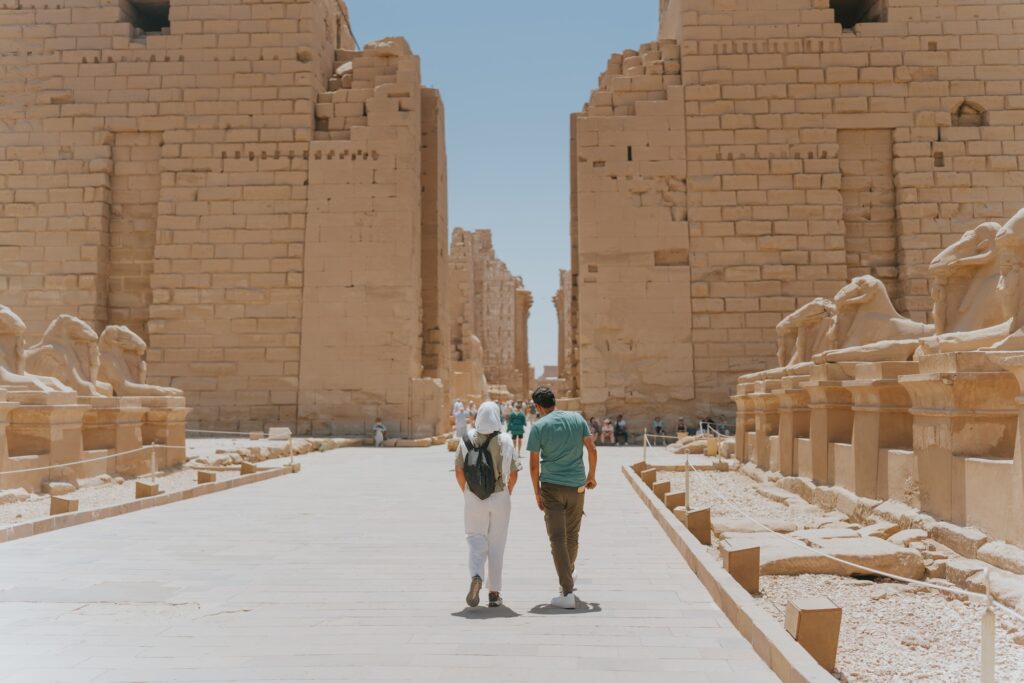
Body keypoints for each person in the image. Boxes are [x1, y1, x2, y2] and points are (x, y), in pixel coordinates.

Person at [526, 386, 598, 609]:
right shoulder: (577, 420)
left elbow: (533, 465)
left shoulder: (539, 427)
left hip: (551, 486)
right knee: (572, 534)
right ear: (554, 401)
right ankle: (568, 573)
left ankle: (567, 592)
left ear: (538, 407)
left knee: (557, 538)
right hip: (577, 485)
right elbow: (592, 450)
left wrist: (537, 493)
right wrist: (591, 476)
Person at [455, 401, 520, 609]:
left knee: (475, 538)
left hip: (474, 497)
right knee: (497, 544)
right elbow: (515, 472)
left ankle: (476, 576)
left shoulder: (465, 440)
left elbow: (458, 471)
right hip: (500, 496)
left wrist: (467, 492)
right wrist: (506, 493)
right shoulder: (506, 440)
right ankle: (494, 593)